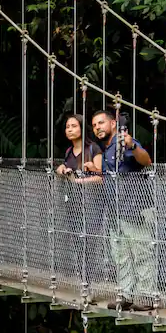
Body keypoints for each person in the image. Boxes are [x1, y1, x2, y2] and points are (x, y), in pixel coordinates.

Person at [87, 109, 156, 306]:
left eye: (101, 123)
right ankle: (126, 296)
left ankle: (146, 297)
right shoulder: (107, 148)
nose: (97, 127)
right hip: (117, 211)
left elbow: (146, 161)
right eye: (94, 125)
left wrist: (132, 145)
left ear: (113, 124)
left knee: (141, 254)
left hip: (136, 209)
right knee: (122, 257)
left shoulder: (123, 141)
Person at [55, 114, 102, 289]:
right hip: (73, 203)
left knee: (89, 243)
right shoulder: (69, 152)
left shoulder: (93, 149)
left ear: (82, 128)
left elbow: (101, 177)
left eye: (74, 126)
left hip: (91, 204)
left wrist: (79, 181)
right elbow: (69, 172)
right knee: (77, 241)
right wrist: (61, 169)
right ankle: (83, 281)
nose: (70, 129)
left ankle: (88, 284)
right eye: (68, 126)